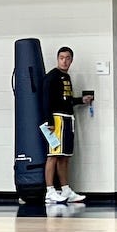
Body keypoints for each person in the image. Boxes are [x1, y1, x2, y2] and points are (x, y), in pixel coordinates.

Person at [43, 46, 94, 205]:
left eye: (67, 58)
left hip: (67, 118)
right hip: (57, 119)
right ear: (57, 59)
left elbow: (67, 99)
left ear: (71, 60)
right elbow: (46, 100)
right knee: (53, 155)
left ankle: (65, 189)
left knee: (65, 156)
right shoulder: (51, 76)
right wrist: (49, 121)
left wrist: (81, 100)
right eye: (61, 58)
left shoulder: (66, 77)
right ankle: (50, 191)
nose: (64, 61)